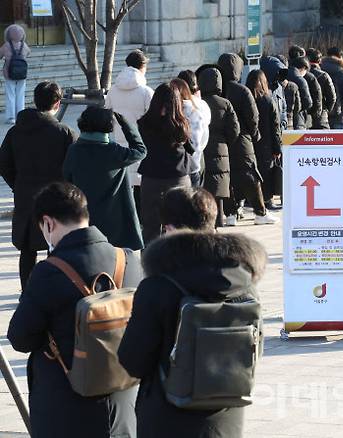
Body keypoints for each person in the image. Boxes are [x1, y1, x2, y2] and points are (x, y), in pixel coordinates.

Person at [7, 182, 142, 438]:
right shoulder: (128, 260)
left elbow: (20, 338)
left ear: (48, 223)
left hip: (67, 405)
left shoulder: (48, 272)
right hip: (123, 399)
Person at [118, 230, 266, 438]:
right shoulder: (246, 287)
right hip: (227, 417)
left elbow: (133, 361)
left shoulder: (156, 288)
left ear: (169, 229)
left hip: (166, 417)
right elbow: (254, 351)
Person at [0, 81, 76, 289]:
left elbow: (4, 163)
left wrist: (17, 184)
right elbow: (73, 168)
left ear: (34, 100)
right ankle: (51, 291)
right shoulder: (64, 133)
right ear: (58, 103)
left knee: (27, 249)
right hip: (56, 197)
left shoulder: (16, 131)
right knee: (55, 247)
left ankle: (27, 292)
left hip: (25, 196)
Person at [63, 107, 146, 250]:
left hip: (85, 216)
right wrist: (127, 126)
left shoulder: (74, 150)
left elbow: (66, 179)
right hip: (116, 220)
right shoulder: (114, 152)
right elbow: (140, 150)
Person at [216, 53, 278, 226]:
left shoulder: (216, 90)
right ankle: (260, 212)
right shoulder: (242, 90)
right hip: (243, 139)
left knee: (227, 177)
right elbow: (253, 117)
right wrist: (254, 134)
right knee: (251, 175)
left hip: (222, 140)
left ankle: (230, 213)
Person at [137, 83, 194, 243]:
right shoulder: (181, 124)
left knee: (150, 225)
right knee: (181, 223)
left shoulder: (144, 123)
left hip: (151, 176)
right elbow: (191, 147)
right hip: (178, 175)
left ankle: (150, 263)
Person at [105, 49, 154, 214]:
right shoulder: (146, 92)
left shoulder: (112, 90)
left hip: (119, 144)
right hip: (141, 144)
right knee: (141, 187)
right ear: (142, 67)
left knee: (124, 186)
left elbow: (106, 116)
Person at [198, 67, 239, 228]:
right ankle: (219, 220)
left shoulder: (199, 103)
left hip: (202, 147)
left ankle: (205, 223)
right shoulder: (225, 103)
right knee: (220, 187)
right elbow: (234, 128)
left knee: (204, 186)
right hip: (221, 147)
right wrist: (226, 142)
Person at [246, 69, 282, 211]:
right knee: (266, 172)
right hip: (266, 144)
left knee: (251, 172)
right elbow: (275, 126)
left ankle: (251, 199)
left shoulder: (246, 99)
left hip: (250, 143)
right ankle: (267, 200)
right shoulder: (268, 100)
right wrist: (277, 148)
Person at [170, 79, 211, 188]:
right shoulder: (197, 112)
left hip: (173, 169)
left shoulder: (168, 112)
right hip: (193, 167)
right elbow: (200, 143)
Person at [0, 24, 30, 125]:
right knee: (20, 94)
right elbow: (28, 53)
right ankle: (20, 115)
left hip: (9, 72)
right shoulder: (24, 45)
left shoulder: (6, 46)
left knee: (10, 95)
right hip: (22, 73)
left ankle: (11, 117)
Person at [321, 47, 343, 129]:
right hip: (340, 116)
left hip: (323, 116)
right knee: (341, 141)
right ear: (340, 57)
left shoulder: (320, 71)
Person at [307, 48, 337, 130]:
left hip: (305, 117)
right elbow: (332, 97)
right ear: (319, 61)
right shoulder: (324, 75)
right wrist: (326, 109)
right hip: (321, 116)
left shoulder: (302, 74)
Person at [259, 55, 288, 130]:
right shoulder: (258, 88)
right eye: (277, 72)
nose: (278, 74)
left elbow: (284, 109)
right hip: (264, 132)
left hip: (278, 130)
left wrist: (283, 124)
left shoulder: (279, 87)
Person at [286, 53, 313, 129]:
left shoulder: (283, 75)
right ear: (303, 68)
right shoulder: (301, 80)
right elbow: (308, 103)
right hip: (298, 119)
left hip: (285, 117)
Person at [277, 55, 304, 129]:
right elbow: (298, 108)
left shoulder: (269, 85)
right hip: (289, 122)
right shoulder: (293, 86)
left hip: (274, 124)